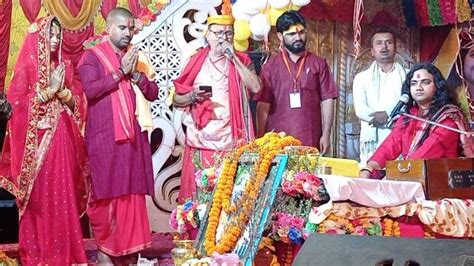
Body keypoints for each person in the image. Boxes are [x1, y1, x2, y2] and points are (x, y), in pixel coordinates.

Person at [0, 16, 89, 265]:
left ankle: (66, 254)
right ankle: (41, 254)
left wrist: (65, 93)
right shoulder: (27, 68)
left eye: (57, 37)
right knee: (42, 200)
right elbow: (16, 106)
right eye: (50, 36)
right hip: (38, 149)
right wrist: (48, 91)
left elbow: (78, 106)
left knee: (64, 199)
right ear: (38, 39)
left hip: (63, 144)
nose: (54, 40)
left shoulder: (63, 67)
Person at [77, 8, 158, 263]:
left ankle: (130, 253)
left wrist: (135, 74)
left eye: (131, 28)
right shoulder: (91, 57)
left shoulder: (134, 56)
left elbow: (153, 92)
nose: (128, 33)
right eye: (123, 28)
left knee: (132, 194)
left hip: (132, 139)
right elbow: (90, 91)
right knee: (107, 195)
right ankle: (106, 252)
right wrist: (120, 72)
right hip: (104, 140)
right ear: (109, 27)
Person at [173, 12, 261, 201]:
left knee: (228, 197)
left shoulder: (242, 60)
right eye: (218, 33)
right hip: (202, 140)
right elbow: (176, 100)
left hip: (232, 140)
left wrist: (234, 58)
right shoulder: (194, 61)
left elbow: (255, 87)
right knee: (201, 197)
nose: (223, 38)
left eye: (228, 33)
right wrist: (191, 96)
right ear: (208, 35)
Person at [360, 63, 473, 179]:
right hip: (411, 178)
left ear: (437, 87)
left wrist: (393, 174)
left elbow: (425, 154)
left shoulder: (448, 118)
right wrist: (369, 169)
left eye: (425, 82)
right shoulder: (409, 116)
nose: (418, 87)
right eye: (414, 83)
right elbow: (389, 146)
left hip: (439, 182)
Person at [255, 11, 338, 154]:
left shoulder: (318, 63)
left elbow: (327, 99)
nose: (298, 37)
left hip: (310, 139)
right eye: (292, 34)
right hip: (277, 141)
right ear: (280, 36)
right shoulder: (270, 67)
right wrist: (260, 139)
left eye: (301, 33)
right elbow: (263, 105)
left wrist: (326, 134)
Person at [352, 29, 409, 164]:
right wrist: (382, 117)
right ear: (372, 51)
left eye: (388, 43)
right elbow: (360, 110)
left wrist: (388, 114)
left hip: (398, 133)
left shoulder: (408, 76)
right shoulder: (361, 78)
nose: (384, 47)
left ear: (395, 48)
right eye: (379, 43)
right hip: (372, 138)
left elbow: (411, 106)